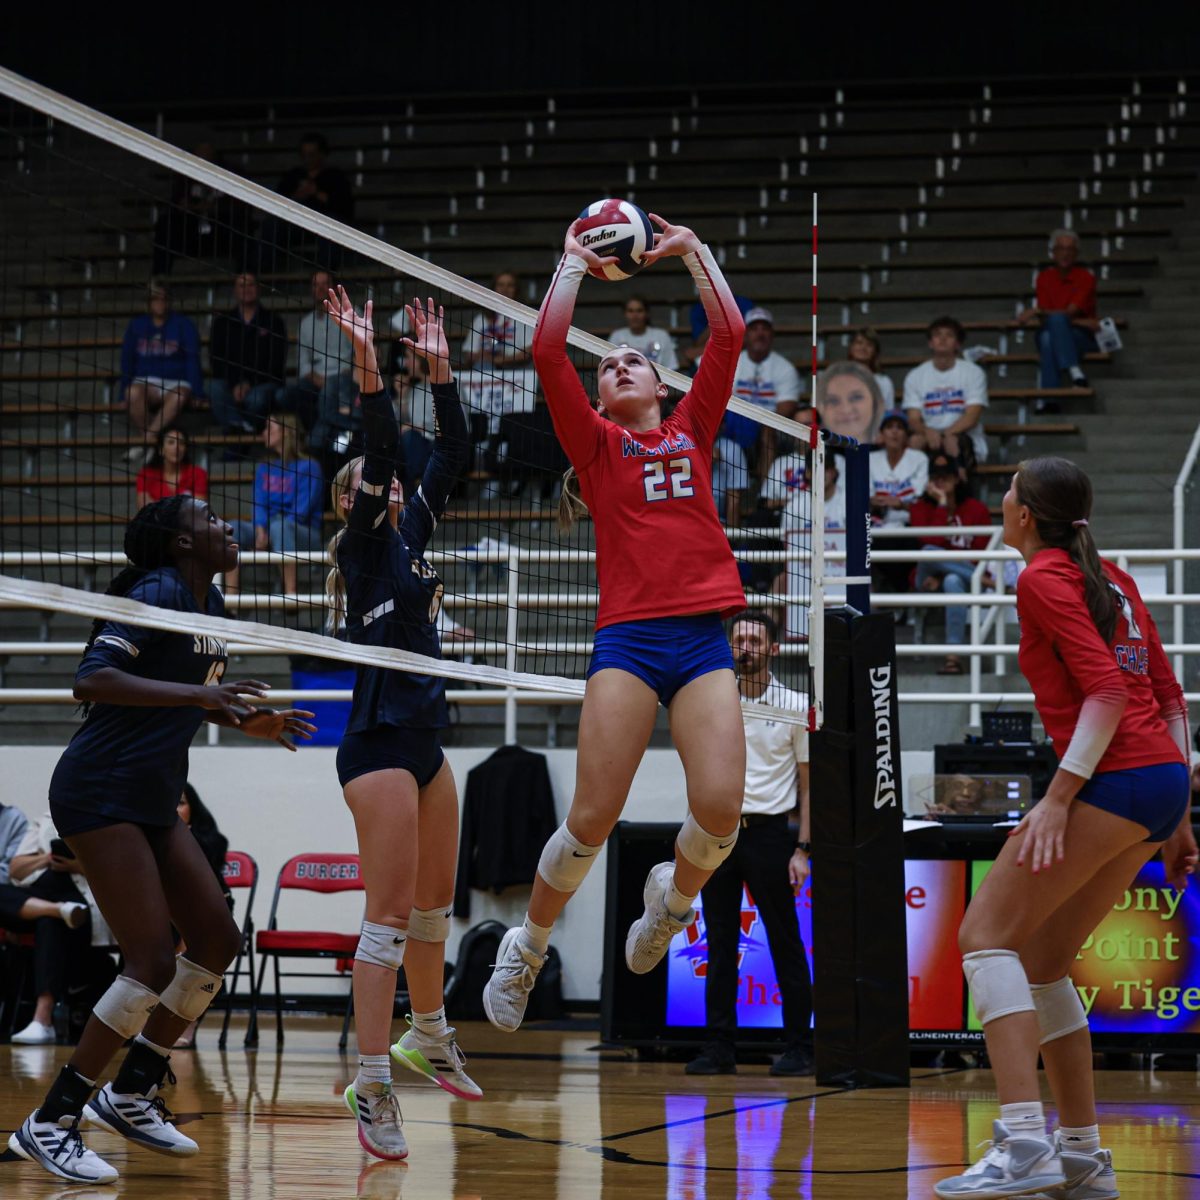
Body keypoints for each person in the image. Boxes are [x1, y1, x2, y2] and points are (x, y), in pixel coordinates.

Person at [483, 214, 749, 1034]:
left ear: (661, 385)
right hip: (630, 640)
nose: (621, 365)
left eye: (634, 359)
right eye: (610, 367)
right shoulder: (597, 449)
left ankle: (668, 906)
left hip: (703, 637)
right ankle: (526, 948)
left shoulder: (691, 429)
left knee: (721, 812)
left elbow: (730, 335)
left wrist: (693, 251)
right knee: (594, 817)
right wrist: (567, 264)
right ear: (599, 398)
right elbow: (545, 352)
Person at [7, 496, 315, 1186]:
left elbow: (193, 693)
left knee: (215, 939)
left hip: (148, 797)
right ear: (180, 541)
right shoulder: (160, 591)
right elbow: (91, 679)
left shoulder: (211, 610)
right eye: (210, 518)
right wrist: (201, 701)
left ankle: (132, 1089)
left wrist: (247, 721)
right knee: (147, 958)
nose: (226, 525)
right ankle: (51, 1122)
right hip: (98, 790)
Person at [934, 456, 1195, 1199]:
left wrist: (1056, 799)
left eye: (1011, 487)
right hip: (1157, 782)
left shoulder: (1042, 577)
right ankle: (1080, 1155)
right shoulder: (1111, 574)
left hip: (1115, 780)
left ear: (1024, 514)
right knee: (1044, 962)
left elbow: (1108, 693)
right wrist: (1176, 816)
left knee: (984, 935)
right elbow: (1171, 698)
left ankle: (1021, 1142)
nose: (1004, 495)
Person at [323, 286, 476, 1162]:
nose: (381, 485)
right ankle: (372, 1082)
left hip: (425, 744)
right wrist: (369, 356)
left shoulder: (410, 535)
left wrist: (439, 360)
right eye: (366, 484)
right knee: (384, 920)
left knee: (431, 914)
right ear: (352, 497)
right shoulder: (361, 545)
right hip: (375, 747)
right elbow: (384, 443)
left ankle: (428, 1034)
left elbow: (451, 447)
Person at [686, 611, 813, 1077]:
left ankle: (800, 1045)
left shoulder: (794, 705)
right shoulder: (712, 702)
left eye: (754, 640)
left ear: (773, 649)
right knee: (718, 945)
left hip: (769, 835)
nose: (745, 646)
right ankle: (719, 1048)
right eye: (738, 638)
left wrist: (803, 848)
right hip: (717, 834)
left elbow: (807, 786)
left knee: (785, 940)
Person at [1, 811, 94, 1045]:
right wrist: (47, 858)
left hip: (80, 899)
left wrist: (76, 865)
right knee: (8, 895)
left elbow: (118, 870)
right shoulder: (44, 820)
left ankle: (42, 1018)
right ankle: (57, 908)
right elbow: (16, 869)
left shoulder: (103, 821)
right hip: (41, 893)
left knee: (51, 923)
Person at [910, 454, 993, 676]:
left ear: (957, 479)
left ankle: (952, 659)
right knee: (928, 553)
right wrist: (942, 504)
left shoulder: (976, 509)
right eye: (936, 478)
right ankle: (989, 582)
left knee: (952, 580)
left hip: (962, 576)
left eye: (946, 477)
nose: (941, 482)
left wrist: (943, 571)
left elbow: (979, 556)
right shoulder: (919, 507)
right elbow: (931, 542)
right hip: (925, 576)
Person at [228, 413, 325, 597]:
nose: (264, 433)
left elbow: (301, 512)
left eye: (269, 428)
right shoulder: (264, 467)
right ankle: (231, 599)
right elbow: (258, 504)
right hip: (270, 528)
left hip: (303, 533)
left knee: (281, 527)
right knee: (233, 527)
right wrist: (259, 531)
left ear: (286, 432)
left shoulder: (310, 467)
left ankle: (290, 593)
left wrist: (269, 534)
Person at [171, 784, 231, 1050]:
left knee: (194, 936)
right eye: (168, 803)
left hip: (206, 908)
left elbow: (205, 889)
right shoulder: (144, 839)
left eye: (180, 803)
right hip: (161, 910)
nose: (173, 809)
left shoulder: (208, 841)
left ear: (193, 810)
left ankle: (187, 1021)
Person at [118, 279, 204, 467]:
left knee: (181, 395)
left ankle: (145, 443)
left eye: (164, 298)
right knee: (131, 393)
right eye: (155, 298)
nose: (160, 303)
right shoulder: (136, 325)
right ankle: (153, 444)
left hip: (176, 381)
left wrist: (197, 391)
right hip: (145, 381)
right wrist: (122, 390)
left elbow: (193, 360)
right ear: (148, 301)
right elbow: (127, 361)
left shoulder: (184, 325)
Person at [1018, 230, 1100, 411]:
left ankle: (1051, 401)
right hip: (1058, 329)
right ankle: (1076, 373)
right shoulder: (1044, 278)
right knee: (1049, 333)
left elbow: (1069, 313)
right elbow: (1048, 318)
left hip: (1081, 336)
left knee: (1049, 337)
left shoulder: (1086, 278)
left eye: (1070, 249)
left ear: (1077, 254)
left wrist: (1038, 310)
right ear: (1053, 252)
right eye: (1061, 249)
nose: (1065, 253)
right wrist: (1073, 320)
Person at [290, 270, 360, 458]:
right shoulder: (305, 324)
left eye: (324, 283)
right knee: (286, 395)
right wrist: (318, 379)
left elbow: (361, 354)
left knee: (333, 390)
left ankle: (317, 442)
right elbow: (303, 364)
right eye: (315, 284)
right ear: (311, 290)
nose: (320, 288)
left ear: (334, 287)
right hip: (316, 379)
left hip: (346, 376)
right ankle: (320, 437)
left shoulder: (351, 314)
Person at [903, 316, 989, 470]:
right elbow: (913, 419)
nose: (942, 339)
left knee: (952, 441)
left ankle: (963, 491)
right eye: (937, 335)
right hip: (930, 436)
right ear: (930, 342)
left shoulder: (973, 373)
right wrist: (927, 432)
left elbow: (972, 417)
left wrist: (944, 435)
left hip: (963, 437)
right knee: (915, 441)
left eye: (949, 335)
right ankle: (917, 493)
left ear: (957, 344)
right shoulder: (915, 375)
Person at [207, 272, 287, 434]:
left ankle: (238, 434)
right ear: (235, 291)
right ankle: (242, 428)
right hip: (231, 384)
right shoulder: (222, 323)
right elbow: (216, 359)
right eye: (242, 285)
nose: (247, 289)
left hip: (263, 383)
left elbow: (276, 362)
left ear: (258, 288)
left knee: (257, 399)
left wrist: (249, 383)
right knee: (215, 388)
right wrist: (236, 382)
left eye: (251, 284)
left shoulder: (273, 321)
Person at [725, 306, 801, 473]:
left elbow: (787, 407)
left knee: (768, 431)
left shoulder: (784, 367)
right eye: (754, 328)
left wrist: (761, 422)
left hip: (771, 426)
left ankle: (763, 493)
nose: (760, 334)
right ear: (745, 334)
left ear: (772, 334)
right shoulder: (731, 361)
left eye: (765, 328)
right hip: (736, 421)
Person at [869, 411, 929, 595]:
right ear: (881, 434)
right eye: (889, 427)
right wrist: (873, 501)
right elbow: (868, 495)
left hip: (908, 525)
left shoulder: (919, 458)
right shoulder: (871, 458)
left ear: (906, 434)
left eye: (899, 428)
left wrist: (900, 503)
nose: (894, 432)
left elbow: (919, 498)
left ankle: (902, 593)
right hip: (877, 526)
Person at [461, 271, 532, 369]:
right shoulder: (481, 319)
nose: (505, 289)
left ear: (516, 290)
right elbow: (469, 354)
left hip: (517, 369)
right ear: (494, 289)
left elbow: (528, 353)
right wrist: (484, 357)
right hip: (486, 368)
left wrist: (501, 359)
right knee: (483, 366)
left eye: (510, 285)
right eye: (500, 284)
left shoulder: (524, 317)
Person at [135, 426, 208, 512]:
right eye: (171, 442)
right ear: (161, 449)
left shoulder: (198, 473)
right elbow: (145, 510)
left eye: (181, 443)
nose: (176, 447)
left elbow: (198, 510)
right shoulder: (146, 474)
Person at [814, 360, 885, 447]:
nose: (846, 409)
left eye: (856, 397)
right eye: (833, 401)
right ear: (821, 408)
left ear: (875, 403)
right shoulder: (814, 457)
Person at [608, 295, 679, 371]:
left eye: (639, 311)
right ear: (625, 314)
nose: (635, 316)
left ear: (647, 313)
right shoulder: (616, 336)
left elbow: (671, 367)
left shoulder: (661, 336)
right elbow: (609, 369)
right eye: (630, 311)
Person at [847, 327, 895, 409]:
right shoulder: (837, 378)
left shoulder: (884, 382)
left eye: (869, 345)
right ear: (851, 348)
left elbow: (887, 413)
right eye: (859, 343)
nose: (863, 348)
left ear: (875, 351)